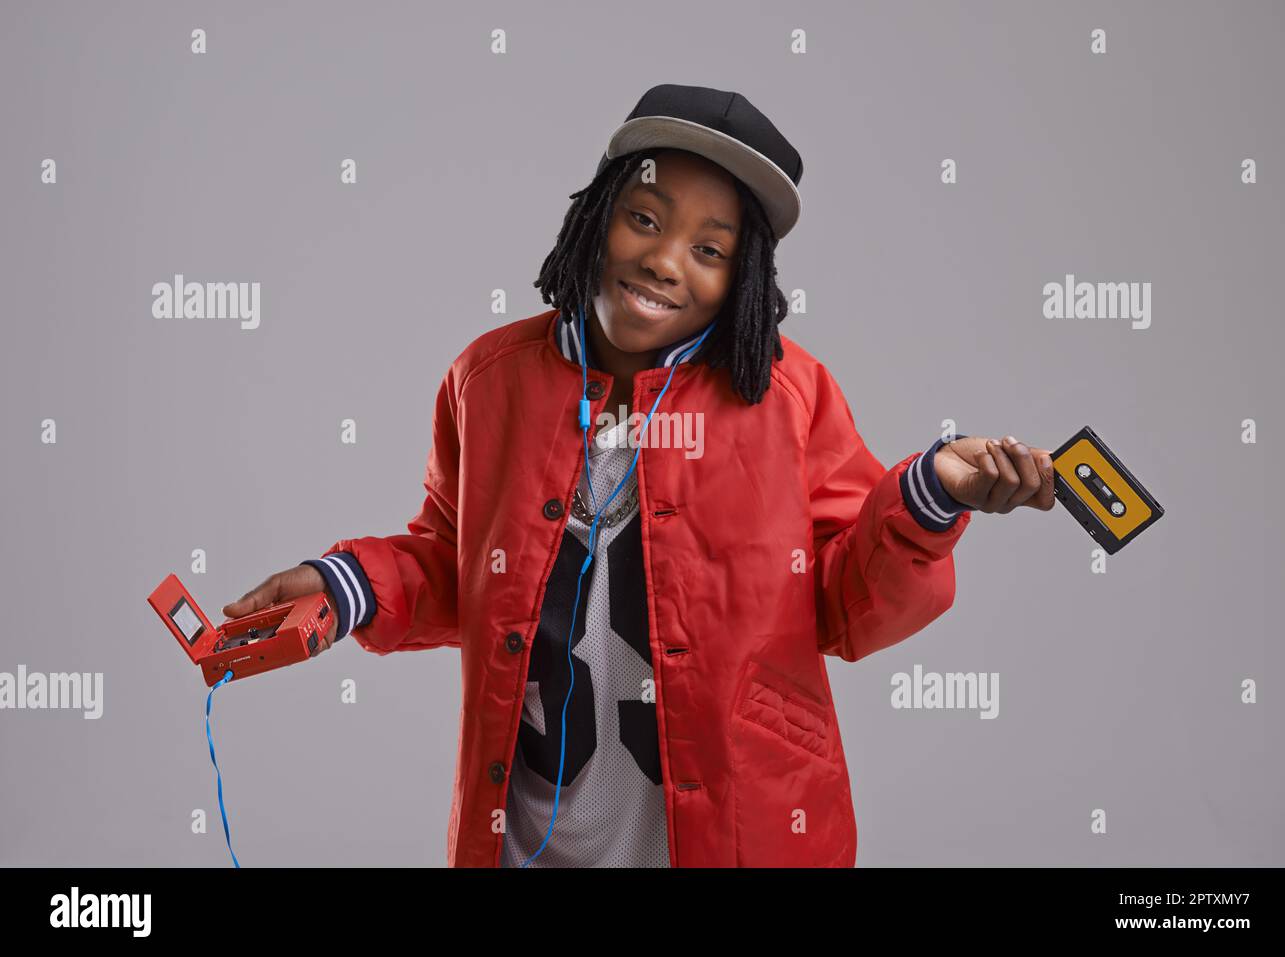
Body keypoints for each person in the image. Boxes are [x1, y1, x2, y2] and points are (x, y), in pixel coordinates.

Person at [222, 84, 1056, 868]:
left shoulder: (790, 396)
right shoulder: (489, 380)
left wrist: (930, 496)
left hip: (741, 835)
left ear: (745, 278)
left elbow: (845, 603)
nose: (664, 261)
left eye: (708, 249)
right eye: (643, 219)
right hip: (525, 842)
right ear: (593, 220)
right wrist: (344, 585)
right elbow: (462, 562)